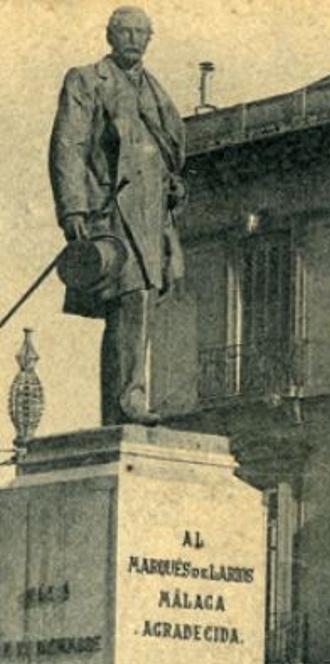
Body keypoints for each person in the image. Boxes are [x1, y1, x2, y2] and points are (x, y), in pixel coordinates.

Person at [49, 7, 186, 426]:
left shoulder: (156, 91)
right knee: (129, 299)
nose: (132, 38)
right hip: (110, 210)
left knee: (142, 302)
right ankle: (128, 401)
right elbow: (67, 146)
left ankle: (125, 404)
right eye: (124, 31)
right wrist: (73, 207)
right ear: (109, 35)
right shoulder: (87, 80)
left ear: (150, 38)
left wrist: (175, 188)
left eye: (141, 32)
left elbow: (168, 154)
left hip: (153, 217)